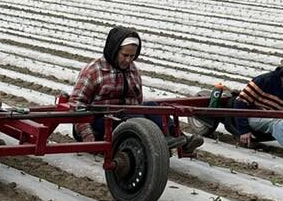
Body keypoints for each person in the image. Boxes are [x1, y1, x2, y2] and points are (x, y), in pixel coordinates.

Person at [69, 27, 202, 151]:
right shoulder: (94, 70)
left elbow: (138, 101)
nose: (128, 60)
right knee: (135, 116)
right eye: (125, 55)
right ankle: (159, 141)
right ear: (114, 50)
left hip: (126, 116)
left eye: (132, 56)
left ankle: (178, 137)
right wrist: (88, 136)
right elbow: (76, 105)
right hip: (99, 121)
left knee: (152, 107)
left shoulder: (132, 70)